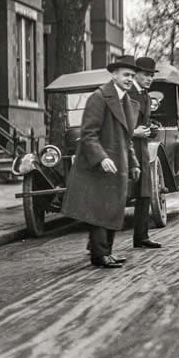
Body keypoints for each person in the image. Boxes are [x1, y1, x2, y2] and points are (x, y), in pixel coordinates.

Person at [62, 55, 141, 269]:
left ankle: (106, 252)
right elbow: (88, 134)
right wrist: (102, 158)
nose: (129, 79)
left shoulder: (126, 100)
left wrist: (133, 163)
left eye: (132, 76)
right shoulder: (99, 97)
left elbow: (127, 138)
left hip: (119, 166)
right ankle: (100, 255)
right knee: (99, 210)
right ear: (114, 75)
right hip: (98, 167)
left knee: (113, 209)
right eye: (126, 75)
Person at [129, 56, 162, 249]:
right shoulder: (128, 93)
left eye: (151, 76)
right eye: (146, 75)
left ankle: (141, 236)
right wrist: (136, 132)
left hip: (141, 148)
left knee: (145, 192)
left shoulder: (146, 96)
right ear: (136, 74)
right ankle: (98, 244)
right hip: (127, 147)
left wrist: (151, 128)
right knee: (118, 195)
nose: (149, 79)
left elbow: (143, 121)